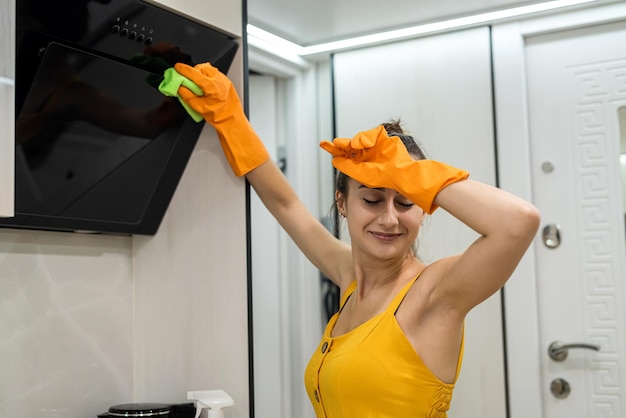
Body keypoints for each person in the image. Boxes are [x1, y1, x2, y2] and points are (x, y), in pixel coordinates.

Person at [170, 62, 541, 418]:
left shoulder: (436, 293)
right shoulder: (348, 276)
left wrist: (406, 172)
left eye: (406, 201)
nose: (390, 218)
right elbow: (286, 204)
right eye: (372, 199)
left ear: (425, 206)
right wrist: (231, 121)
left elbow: (518, 223)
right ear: (342, 203)